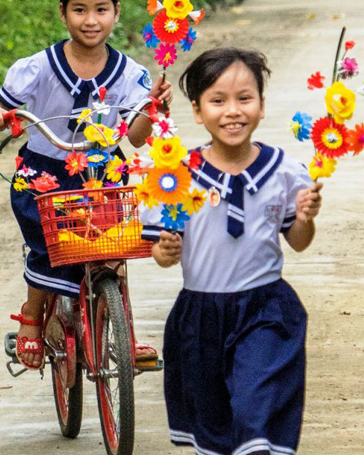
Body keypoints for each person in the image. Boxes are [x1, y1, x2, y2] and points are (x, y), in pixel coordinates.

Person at [0, 0, 172, 369]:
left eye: (101, 9)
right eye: (80, 10)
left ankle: (121, 329)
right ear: (63, 12)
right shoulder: (38, 67)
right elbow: (1, 106)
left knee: (113, 244)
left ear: (117, 12)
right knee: (46, 241)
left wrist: (153, 107)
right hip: (46, 171)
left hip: (102, 171)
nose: (91, 20)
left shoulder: (131, 75)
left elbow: (135, 137)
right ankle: (32, 315)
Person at [144, 47, 322, 455]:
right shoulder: (175, 175)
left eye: (245, 98)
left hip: (266, 311)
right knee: (217, 432)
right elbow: (161, 253)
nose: (233, 111)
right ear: (197, 110)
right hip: (199, 318)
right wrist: (167, 250)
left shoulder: (285, 172)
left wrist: (306, 216)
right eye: (217, 100)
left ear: (262, 107)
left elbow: (297, 241)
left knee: (255, 408)